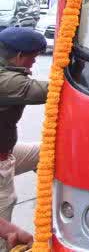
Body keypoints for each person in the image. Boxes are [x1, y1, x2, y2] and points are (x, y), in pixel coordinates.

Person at [0, 28, 47, 224]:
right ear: (19, 56)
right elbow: (52, 90)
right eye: (33, 58)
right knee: (5, 207)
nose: (34, 63)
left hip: (7, 151)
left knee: (46, 153)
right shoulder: (7, 81)